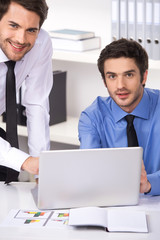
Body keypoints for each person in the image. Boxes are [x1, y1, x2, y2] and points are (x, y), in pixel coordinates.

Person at [78, 38, 160, 196]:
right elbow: (90, 172)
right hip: (111, 203)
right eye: (112, 76)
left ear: (144, 77)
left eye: (128, 75)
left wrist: (150, 183)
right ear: (104, 81)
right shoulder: (92, 118)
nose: (120, 85)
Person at [0, 0, 53, 181]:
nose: (21, 39)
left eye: (31, 30)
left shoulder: (41, 43)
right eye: (13, 26)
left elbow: (37, 103)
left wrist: (41, 166)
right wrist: (25, 161)